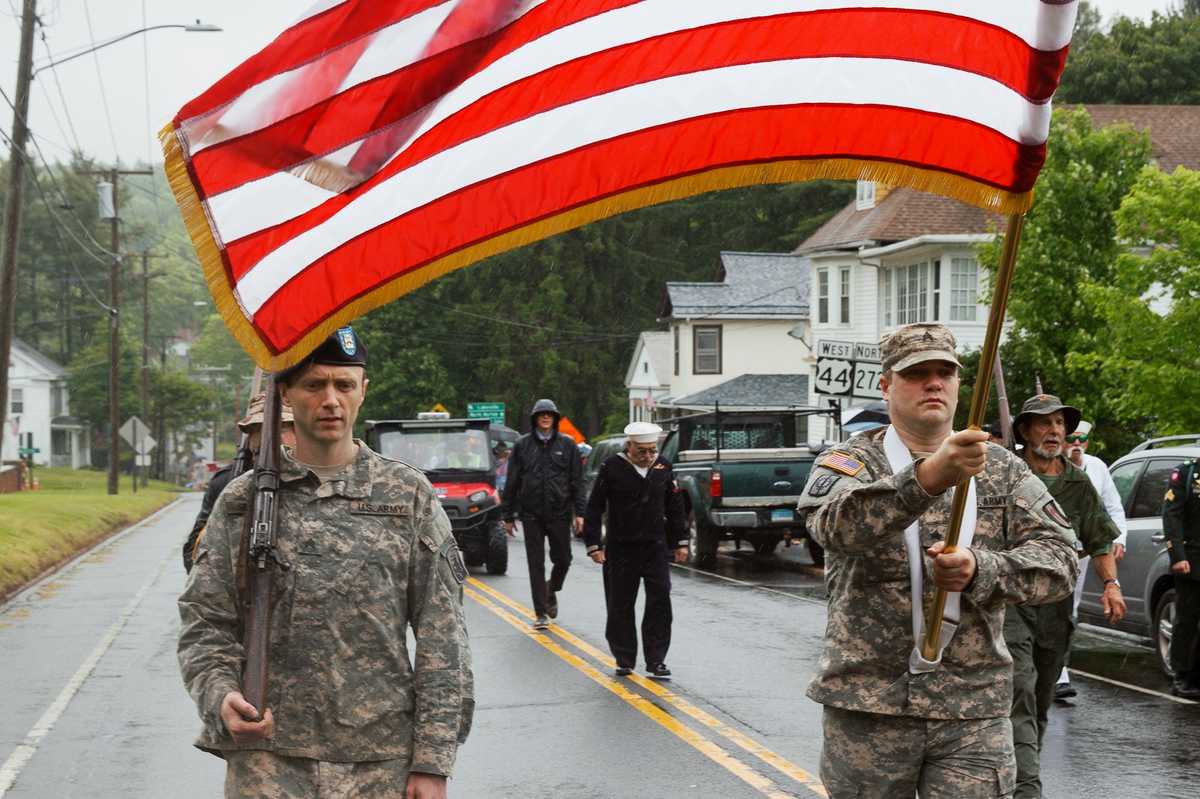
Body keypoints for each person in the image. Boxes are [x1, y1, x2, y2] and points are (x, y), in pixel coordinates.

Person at [178, 326, 474, 799]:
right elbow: (206, 621)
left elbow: (444, 638)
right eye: (315, 385)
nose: (331, 400)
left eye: (344, 384)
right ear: (287, 395)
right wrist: (220, 696)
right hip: (268, 760)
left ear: (363, 391)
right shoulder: (245, 501)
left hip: (381, 762)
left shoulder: (407, 495)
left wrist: (433, 761)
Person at [797, 323, 1078, 799]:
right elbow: (832, 528)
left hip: (972, 706)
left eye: (944, 372)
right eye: (916, 373)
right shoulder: (849, 461)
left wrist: (981, 568)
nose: (933, 383)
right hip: (870, 705)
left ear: (958, 383)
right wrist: (927, 477)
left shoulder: (1003, 468)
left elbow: (1061, 561)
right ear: (886, 385)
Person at [1006, 394, 1125, 799]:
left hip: (1056, 606)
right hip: (1011, 602)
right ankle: (1027, 789)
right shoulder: (1007, 474)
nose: (1054, 431)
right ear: (1024, 431)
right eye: (1044, 423)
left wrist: (1112, 586)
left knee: (1040, 698)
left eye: (1059, 423)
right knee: (1019, 688)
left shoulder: (1077, 483)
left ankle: (1021, 767)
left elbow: (1100, 539)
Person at [584, 422, 688, 679]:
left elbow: (674, 506)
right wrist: (594, 544)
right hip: (621, 548)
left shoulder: (663, 466)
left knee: (660, 601)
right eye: (642, 451)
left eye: (652, 450)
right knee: (620, 603)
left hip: (655, 546)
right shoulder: (612, 467)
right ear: (629, 446)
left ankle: (656, 660)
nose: (648, 456)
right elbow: (594, 507)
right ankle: (624, 657)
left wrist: (681, 541)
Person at [1055, 419, 1128, 701]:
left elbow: (1112, 506)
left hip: (1081, 553)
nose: (1076, 445)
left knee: (1068, 611)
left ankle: (1060, 674)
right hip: (1045, 551)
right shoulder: (1044, 465)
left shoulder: (1097, 468)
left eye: (1081, 441)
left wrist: (1118, 539)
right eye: (1071, 439)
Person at [182, 394, 295, 572]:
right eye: (260, 429)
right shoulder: (226, 483)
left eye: (282, 429)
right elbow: (193, 552)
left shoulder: (315, 478)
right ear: (250, 438)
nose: (270, 438)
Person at [502, 398, 585, 629]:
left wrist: (580, 513)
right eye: (541, 414)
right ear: (535, 418)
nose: (546, 417)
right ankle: (540, 613)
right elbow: (512, 481)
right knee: (535, 563)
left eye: (550, 414)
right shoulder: (522, 446)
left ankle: (551, 589)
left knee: (564, 559)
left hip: (559, 512)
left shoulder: (568, 445)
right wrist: (507, 516)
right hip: (531, 513)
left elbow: (577, 481)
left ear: (555, 418)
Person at [1163, 455, 1200, 699]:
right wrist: (1177, 555)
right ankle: (1183, 674)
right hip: (1193, 559)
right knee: (1188, 619)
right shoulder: (1186, 474)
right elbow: (1172, 515)